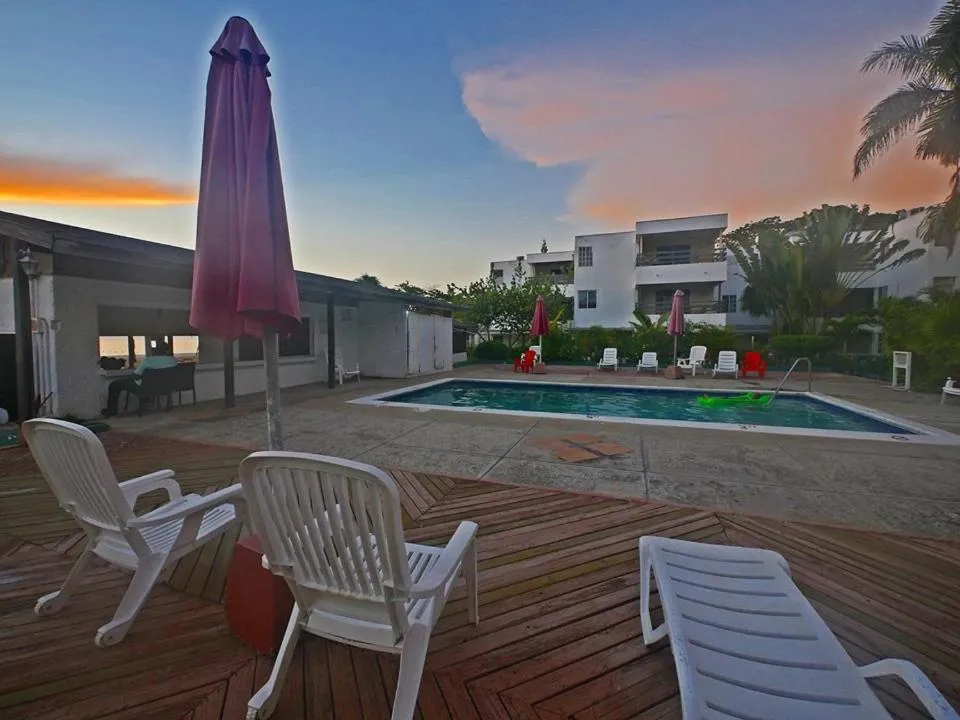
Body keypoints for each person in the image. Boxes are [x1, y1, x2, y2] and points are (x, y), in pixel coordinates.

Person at [102, 342, 178, 417]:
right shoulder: (173, 360)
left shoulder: (148, 360)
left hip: (145, 388)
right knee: (145, 383)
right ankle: (146, 400)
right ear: (167, 350)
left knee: (114, 385)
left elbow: (136, 375)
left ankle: (112, 411)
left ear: (155, 350)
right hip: (165, 387)